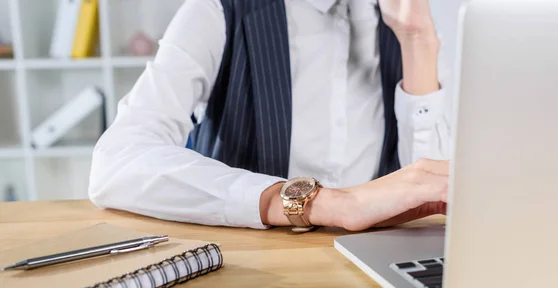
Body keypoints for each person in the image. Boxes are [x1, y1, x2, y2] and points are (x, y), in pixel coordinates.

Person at [89, 0, 460, 232]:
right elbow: (117, 162)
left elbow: (431, 196)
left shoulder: (410, 22)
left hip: (372, 265)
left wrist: (416, 41)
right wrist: (325, 204)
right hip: (251, 271)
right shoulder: (217, 10)